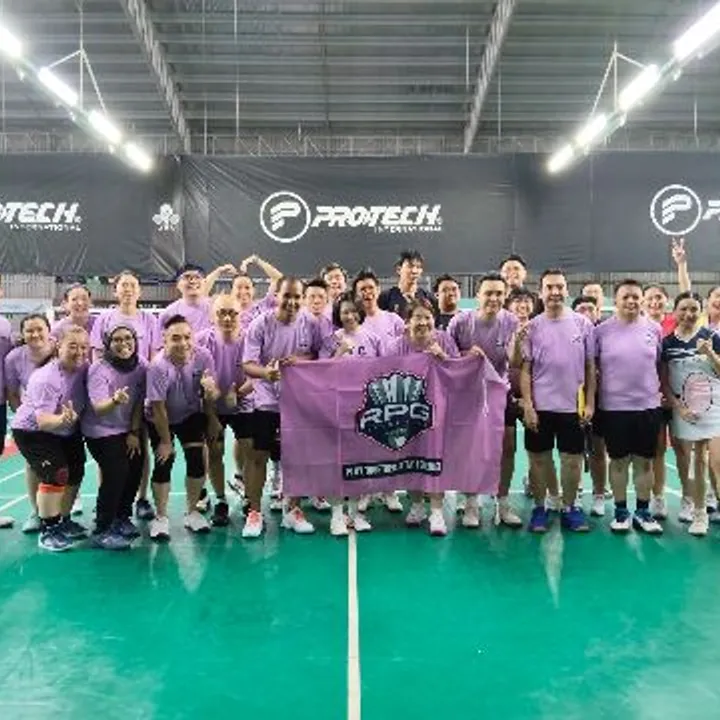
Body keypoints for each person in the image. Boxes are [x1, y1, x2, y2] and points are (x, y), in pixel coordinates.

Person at [242, 276, 322, 536]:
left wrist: (300, 360)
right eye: (287, 295)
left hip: (298, 399)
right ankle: (254, 512)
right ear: (276, 296)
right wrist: (266, 373)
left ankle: (293, 510)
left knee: (296, 456)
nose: (292, 302)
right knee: (258, 456)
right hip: (266, 399)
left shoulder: (311, 323)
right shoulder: (260, 324)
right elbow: (247, 364)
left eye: (297, 297)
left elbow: (319, 355)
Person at [520, 269, 595, 533]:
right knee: (538, 460)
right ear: (541, 292)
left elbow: (590, 367)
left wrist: (590, 403)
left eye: (559, 287)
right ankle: (540, 507)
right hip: (540, 407)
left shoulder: (583, 324)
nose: (555, 292)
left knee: (572, 461)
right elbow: (525, 370)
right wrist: (528, 405)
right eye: (549, 287)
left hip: (573, 408)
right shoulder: (532, 327)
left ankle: (570, 507)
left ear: (566, 290)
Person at [448, 273, 522, 528]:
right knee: (472, 448)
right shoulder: (460, 322)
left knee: (507, 446)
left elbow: (515, 361)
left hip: (500, 391)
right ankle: (471, 502)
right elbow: (446, 358)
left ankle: (503, 502)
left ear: (505, 296)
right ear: (477, 296)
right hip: (468, 394)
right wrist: (466, 354)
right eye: (488, 293)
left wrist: (518, 344)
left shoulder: (511, 322)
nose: (494, 298)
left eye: (499, 293)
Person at [91, 270, 161, 521]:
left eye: (133, 285)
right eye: (124, 285)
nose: (129, 289)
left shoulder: (149, 319)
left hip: (139, 394)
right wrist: (106, 393)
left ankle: (141, 498)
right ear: (115, 290)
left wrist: (149, 390)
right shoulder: (105, 318)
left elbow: (154, 356)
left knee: (140, 447)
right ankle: (107, 499)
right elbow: (97, 356)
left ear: (139, 291)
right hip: (110, 399)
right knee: (109, 456)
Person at [593, 280, 663, 534]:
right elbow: (593, 368)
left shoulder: (654, 329)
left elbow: (658, 365)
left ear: (641, 300)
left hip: (648, 407)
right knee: (619, 461)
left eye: (636, 297)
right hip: (614, 408)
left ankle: (643, 512)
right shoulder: (601, 331)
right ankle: (621, 512)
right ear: (616, 300)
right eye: (626, 297)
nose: (631, 301)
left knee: (644, 462)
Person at [11, 326, 89, 551]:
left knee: (76, 471)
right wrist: (63, 419)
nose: (79, 352)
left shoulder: (83, 367)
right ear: (58, 346)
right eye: (72, 346)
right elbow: (44, 422)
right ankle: (49, 530)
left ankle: (64, 520)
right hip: (33, 431)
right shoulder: (46, 378)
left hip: (65, 429)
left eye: (83, 347)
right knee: (57, 474)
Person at [386, 298, 459, 536]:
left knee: (434, 458)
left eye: (427, 317)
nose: (423, 322)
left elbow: (458, 372)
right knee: (411, 458)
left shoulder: (444, 340)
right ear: (407, 321)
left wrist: (443, 357)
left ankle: (436, 511)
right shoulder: (396, 346)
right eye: (417, 317)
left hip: (438, 409)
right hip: (406, 410)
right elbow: (385, 375)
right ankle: (417, 504)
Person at [145, 314, 221, 541]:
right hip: (160, 417)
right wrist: (166, 442)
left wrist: (212, 410)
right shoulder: (158, 366)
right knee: (164, 461)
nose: (183, 343)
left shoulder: (203, 356)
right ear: (165, 340)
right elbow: (158, 408)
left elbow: (212, 393)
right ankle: (161, 517)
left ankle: (192, 512)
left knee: (197, 460)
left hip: (189, 413)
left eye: (187, 337)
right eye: (176, 338)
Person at [319, 291, 383, 535]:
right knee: (337, 462)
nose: (350, 316)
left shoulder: (373, 339)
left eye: (354, 311)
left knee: (360, 462)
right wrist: (339, 353)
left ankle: (356, 513)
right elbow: (320, 373)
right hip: (336, 408)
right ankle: (337, 515)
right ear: (338, 314)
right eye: (345, 311)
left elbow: (382, 371)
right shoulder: (330, 340)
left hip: (365, 410)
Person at [82, 324, 147, 549]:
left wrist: (134, 432)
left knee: (136, 466)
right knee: (116, 472)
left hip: (126, 428)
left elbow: (139, 403)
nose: (123, 343)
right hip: (100, 430)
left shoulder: (141, 365)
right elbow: (99, 408)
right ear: (108, 345)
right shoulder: (98, 369)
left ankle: (122, 516)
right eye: (117, 340)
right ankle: (102, 528)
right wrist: (115, 401)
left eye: (128, 338)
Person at [661, 292, 720, 536]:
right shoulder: (667, 344)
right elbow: (664, 382)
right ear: (674, 312)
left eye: (694, 309)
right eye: (683, 309)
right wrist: (679, 407)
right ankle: (699, 513)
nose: (688, 314)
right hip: (685, 410)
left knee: (716, 461)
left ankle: (712, 505)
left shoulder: (712, 337)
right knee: (695, 462)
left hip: (714, 408)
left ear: (701, 311)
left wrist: (710, 353)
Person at [196, 295, 255, 532]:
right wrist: (210, 410)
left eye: (233, 313)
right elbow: (198, 376)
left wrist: (238, 393)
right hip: (213, 406)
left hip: (243, 402)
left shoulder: (250, 339)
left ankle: (249, 498)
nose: (227, 318)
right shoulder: (202, 340)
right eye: (222, 312)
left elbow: (256, 375)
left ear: (241, 315)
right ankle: (220, 500)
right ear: (213, 315)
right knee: (215, 451)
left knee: (250, 449)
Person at [5, 314, 55, 534]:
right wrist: (27, 420)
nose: (35, 334)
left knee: (65, 466)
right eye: (29, 331)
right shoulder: (14, 358)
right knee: (32, 464)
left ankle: (61, 512)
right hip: (32, 420)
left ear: (49, 331)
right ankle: (36, 512)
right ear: (23, 334)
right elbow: (12, 393)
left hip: (61, 418)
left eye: (39, 329)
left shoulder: (60, 349)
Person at [159, 264, 214, 334]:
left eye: (197, 277)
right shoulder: (169, 313)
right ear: (177, 284)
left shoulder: (216, 308)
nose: (193, 281)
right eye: (187, 277)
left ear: (204, 282)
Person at [378, 249, 435, 317]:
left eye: (418, 267)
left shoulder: (427, 297)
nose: (414, 271)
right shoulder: (386, 297)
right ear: (399, 269)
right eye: (410, 266)